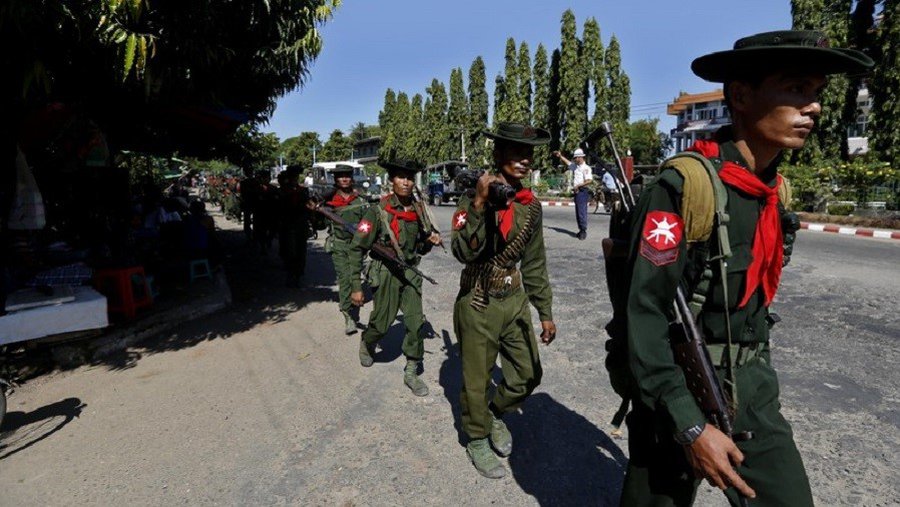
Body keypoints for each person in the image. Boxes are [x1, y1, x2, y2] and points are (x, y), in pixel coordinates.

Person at [618, 30, 873, 506]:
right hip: (676, 389)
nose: (813, 107)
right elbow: (645, 315)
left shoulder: (774, 192)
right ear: (740, 95)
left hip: (752, 389)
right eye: (797, 89)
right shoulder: (683, 187)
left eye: (816, 93)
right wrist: (690, 425)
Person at [451, 122, 557, 479]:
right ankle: (477, 437)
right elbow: (462, 251)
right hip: (478, 301)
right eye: (515, 153)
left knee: (529, 373)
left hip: (514, 300)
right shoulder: (471, 199)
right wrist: (481, 203)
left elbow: (536, 261)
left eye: (528, 155)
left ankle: (494, 414)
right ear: (498, 155)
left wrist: (545, 311)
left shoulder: (530, 207)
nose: (524, 161)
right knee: (477, 380)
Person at [347, 160, 442, 396]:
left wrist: (430, 242)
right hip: (385, 272)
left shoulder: (418, 211)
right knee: (381, 324)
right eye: (401, 177)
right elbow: (357, 248)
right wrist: (356, 287)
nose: (406, 182)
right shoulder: (377, 211)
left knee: (414, 323)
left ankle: (411, 370)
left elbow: (419, 247)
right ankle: (368, 341)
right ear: (392, 180)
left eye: (410, 178)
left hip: (410, 272)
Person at [319, 165, 369, 335]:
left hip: (358, 246)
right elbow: (319, 224)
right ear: (336, 180)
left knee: (356, 274)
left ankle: (354, 300)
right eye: (341, 176)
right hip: (339, 245)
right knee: (345, 278)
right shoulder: (328, 200)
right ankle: (348, 315)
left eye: (347, 176)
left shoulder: (360, 200)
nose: (344, 179)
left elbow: (368, 224)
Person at [277, 166, 311, 287]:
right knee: (289, 250)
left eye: (296, 177)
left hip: (301, 224)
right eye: (293, 177)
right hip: (287, 223)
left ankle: (298, 274)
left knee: (301, 250)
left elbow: (308, 206)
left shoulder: (303, 190)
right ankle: (291, 273)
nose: (295, 179)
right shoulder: (282, 191)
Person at [553, 148, 593, 239]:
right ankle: (581, 229)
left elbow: (589, 180)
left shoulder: (586, 168)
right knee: (578, 212)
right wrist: (560, 156)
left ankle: (583, 231)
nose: (574, 159)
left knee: (581, 212)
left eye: (576, 158)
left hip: (582, 191)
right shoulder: (576, 166)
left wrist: (578, 185)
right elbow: (568, 163)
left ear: (580, 157)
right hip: (577, 192)